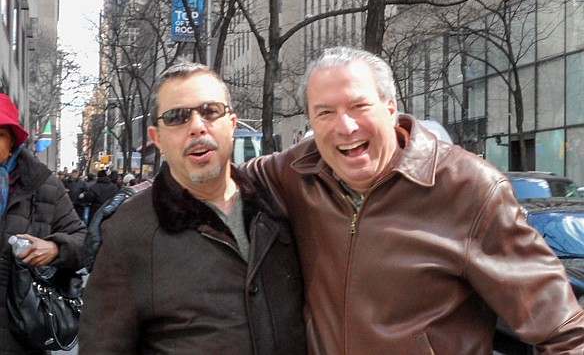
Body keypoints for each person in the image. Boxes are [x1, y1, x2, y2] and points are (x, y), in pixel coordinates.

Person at [240, 47, 584, 354]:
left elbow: (563, 330)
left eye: (359, 106)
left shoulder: (469, 188)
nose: (345, 126)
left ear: (390, 108)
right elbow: (218, 182)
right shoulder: (297, 172)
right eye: (325, 113)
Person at [79, 61, 306, 354]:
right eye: (177, 117)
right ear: (157, 138)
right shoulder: (128, 233)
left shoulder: (278, 204)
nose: (197, 127)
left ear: (232, 124)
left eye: (211, 111)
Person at [0, 93, 87, 354]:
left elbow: (86, 243)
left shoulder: (43, 186)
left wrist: (55, 249)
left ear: (13, 140)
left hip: (19, 334)